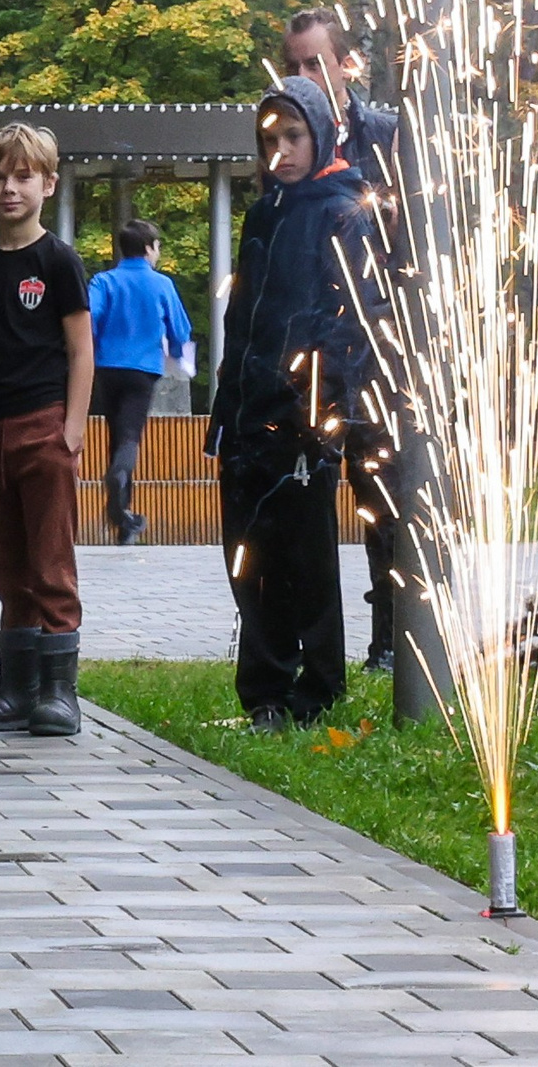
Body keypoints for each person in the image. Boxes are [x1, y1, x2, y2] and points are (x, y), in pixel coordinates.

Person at [210, 78, 383, 729]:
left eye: (292, 137)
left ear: (320, 134)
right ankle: (264, 694)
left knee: (305, 562)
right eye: (269, 140)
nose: (279, 151)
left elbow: (351, 324)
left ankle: (316, 692)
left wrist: (322, 413)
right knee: (249, 556)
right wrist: (226, 410)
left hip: (305, 420)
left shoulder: (343, 211)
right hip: (249, 413)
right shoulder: (264, 212)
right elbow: (241, 318)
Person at [0, 123, 92, 740]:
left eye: (23, 177)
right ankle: (16, 690)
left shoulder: (58, 260)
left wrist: (73, 427)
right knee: (5, 565)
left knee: (50, 562)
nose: (10, 189)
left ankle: (60, 694)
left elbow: (81, 349)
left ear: (48, 184)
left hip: (43, 429)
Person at [283, 8, 402, 670]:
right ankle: (309, 647)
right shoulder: (287, 144)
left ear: (344, 65)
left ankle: (389, 639)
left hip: (379, 352)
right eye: (293, 63)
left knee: (381, 501)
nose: (302, 75)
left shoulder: (385, 137)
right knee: (302, 501)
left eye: (314, 62)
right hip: (309, 353)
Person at [87, 219, 195, 546]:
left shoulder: (103, 281)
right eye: (157, 246)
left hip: (106, 367)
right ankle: (119, 494)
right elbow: (180, 330)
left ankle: (124, 520)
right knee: (130, 435)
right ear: (149, 248)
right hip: (142, 370)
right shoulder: (161, 284)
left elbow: (88, 319)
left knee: (116, 433)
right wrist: (180, 357)